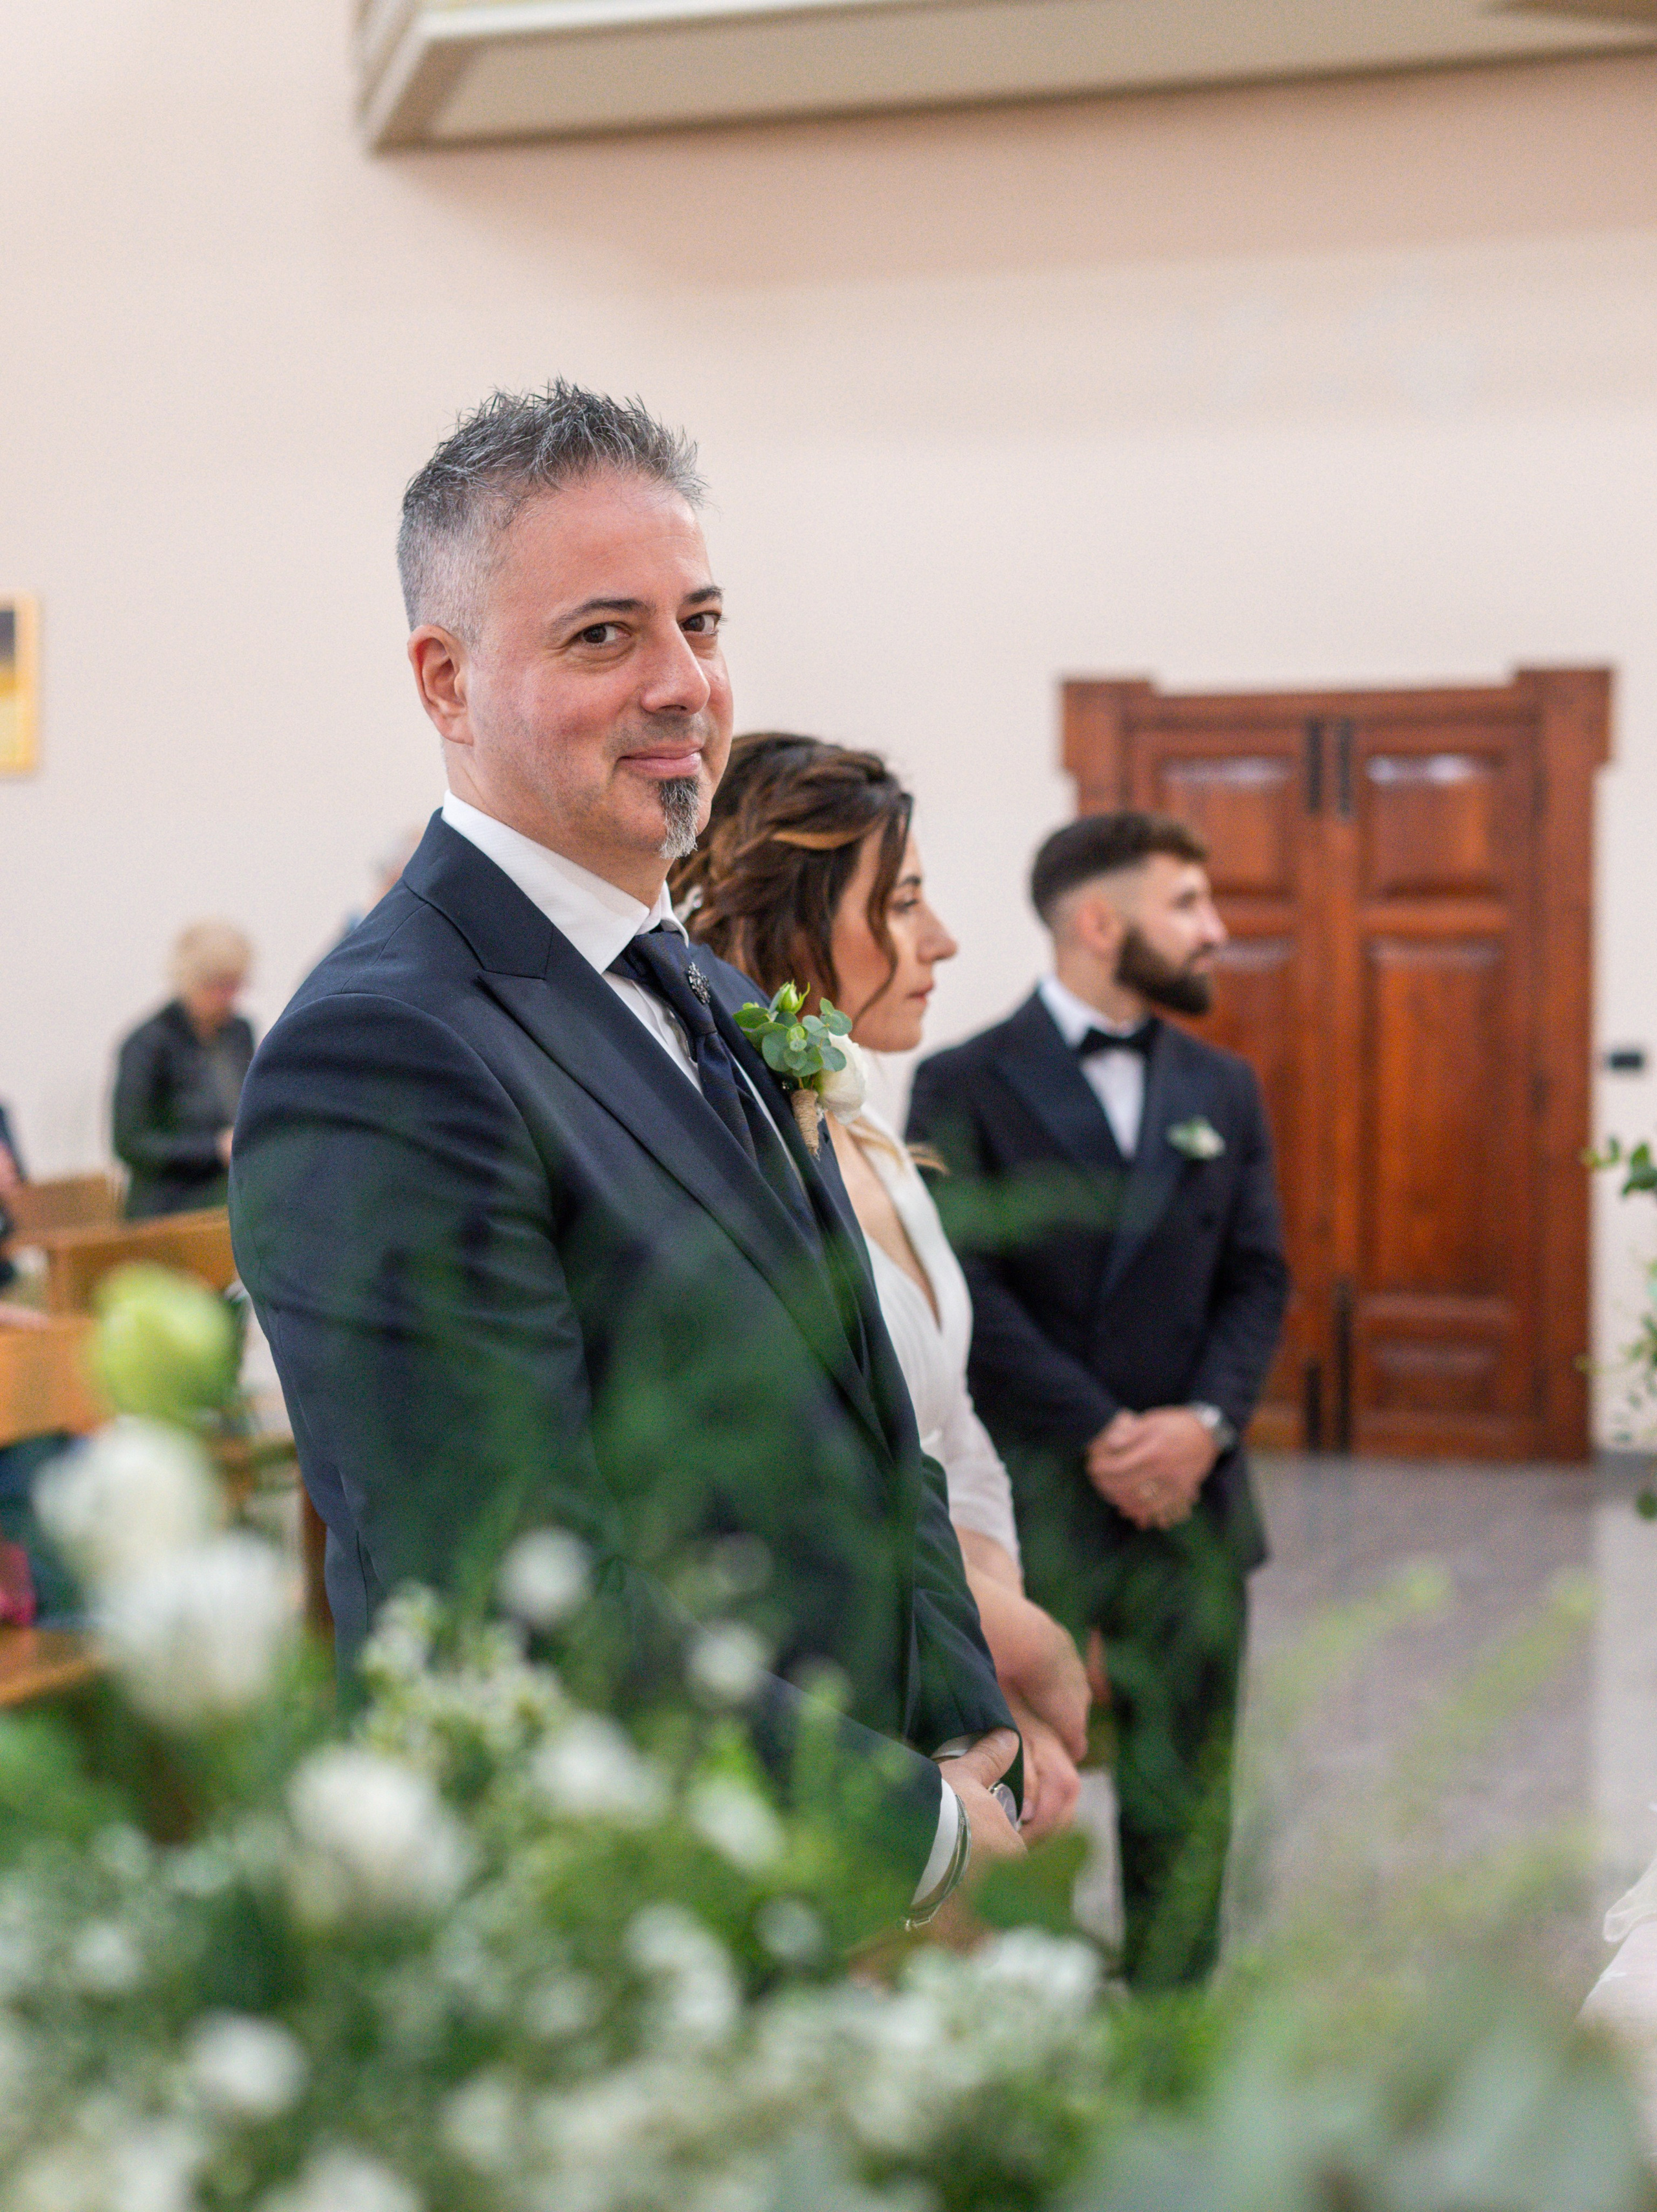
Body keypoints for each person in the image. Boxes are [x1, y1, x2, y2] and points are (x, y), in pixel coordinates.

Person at [229, 383, 1021, 1931]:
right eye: (604, 636)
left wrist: (954, 1712)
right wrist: (904, 1825)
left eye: (702, 622)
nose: (685, 686)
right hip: (595, 1913)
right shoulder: (386, 1049)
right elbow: (507, 1590)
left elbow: (872, 1426)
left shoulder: (717, 995)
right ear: (446, 683)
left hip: (826, 1842)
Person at [675, 732, 1090, 1841]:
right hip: (845, 1683)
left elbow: (957, 1437)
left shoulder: (877, 1143)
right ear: (782, 918)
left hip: (958, 1666)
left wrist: (998, 1694)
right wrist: (1026, 1650)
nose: (942, 940)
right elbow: (822, 1490)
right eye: (901, 903)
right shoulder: (727, 1169)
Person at [907, 811, 1289, 1985]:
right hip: (1040, 1496)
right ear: (1097, 920)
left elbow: (1258, 1276)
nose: (1216, 931)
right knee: (1034, 1777)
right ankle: (1043, 2014)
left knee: (1191, 1778)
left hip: (1196, 1496)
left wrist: (1202, 1426)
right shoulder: (963, 1080)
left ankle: (1176, 2019)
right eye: (1189, 903)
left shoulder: (1223, 1085)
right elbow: (965, 1287)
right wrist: (1108, 1431)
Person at [113, 922, 255, 1219]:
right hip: (170, 1207)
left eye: (234, 985)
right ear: (191, 980)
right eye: (218, 985)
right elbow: (131, 1143)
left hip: (233, 1194)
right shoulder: (147, 1044)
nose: (228, 996)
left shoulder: (239, 1032)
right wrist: (213, 1149)